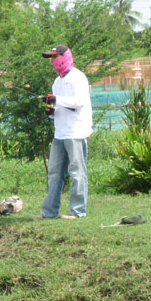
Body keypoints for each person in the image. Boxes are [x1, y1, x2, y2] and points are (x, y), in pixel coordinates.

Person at [38, 45, 93, 219]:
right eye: (51, 58)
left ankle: (77, 211)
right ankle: (49, 212)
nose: (53, 60)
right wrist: (51, 111)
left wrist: (57, 100)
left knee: (77, 172)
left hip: (76, 132)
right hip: (60, 133)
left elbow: (79, 102)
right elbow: (58, 109)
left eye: (55, 56)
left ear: (66, 55)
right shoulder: (57, 81)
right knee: (54, 173)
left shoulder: (78, 77)